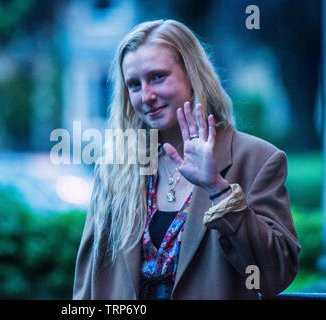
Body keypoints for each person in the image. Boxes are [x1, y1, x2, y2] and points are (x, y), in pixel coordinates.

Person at [73, 19, 300, 300]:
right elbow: (88, 282)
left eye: (158, 77)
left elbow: (274, 275)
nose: (147, 96)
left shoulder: (257, 159)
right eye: (134, 84)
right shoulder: (117, 166)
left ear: (193, 75)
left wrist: (218, 189)